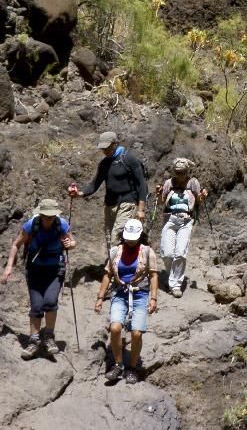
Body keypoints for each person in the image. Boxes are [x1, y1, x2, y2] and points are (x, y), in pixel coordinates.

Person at [0, 197, 74, 359]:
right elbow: (16, 244)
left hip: (55, 269)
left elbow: (73, 242)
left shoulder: (61, 224)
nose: (48, 220)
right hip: (35, 269)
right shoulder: (31, 225)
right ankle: (34, 341)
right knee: (37, 306)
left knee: (50, 302)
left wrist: (70, 244)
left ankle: (48, 336)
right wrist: (9, 267)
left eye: (51, 217)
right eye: (45, 216)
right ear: (40, 214)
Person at [95, 218, 159, 384]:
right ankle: (118, 364)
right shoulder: (115, 251)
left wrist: (153, 298)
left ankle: (132, 366)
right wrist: (100, 297)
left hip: (140, 294)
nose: (131, 241)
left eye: (134, 238)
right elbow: (107, 274)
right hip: (120, 293)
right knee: (115, 328)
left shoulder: (147, 252)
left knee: (136, 333)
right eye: (128, 237)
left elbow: (153, 275)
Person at [71, 130, 147, 265]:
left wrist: (141, 209)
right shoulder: (104, 163)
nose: (105, 151)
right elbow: (94, 184)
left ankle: (119, 268)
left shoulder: (128, 159)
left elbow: (142, 184)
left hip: (127, 203)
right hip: (110, 205)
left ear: (115, 144)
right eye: (103, 148)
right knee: (109, 238)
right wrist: (80, 194)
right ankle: (116, 267)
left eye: (107, 147)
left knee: (116, 237)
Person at [155, 157, 201, 297]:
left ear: (187, 171)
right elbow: (162, 201)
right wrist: (159, 193)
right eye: (177, 172)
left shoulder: (193, 183)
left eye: (182, 172)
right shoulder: (169, 183)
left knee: (180, 253)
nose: (179, 175)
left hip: (186, 221)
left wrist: (202, 196)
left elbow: (198, 200)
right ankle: (171, 275)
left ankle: (175, 285)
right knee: (167, 253)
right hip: (169, 219)